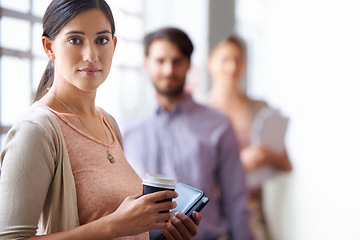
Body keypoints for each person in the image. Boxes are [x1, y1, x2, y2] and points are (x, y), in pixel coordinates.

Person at [0, 1, 201, 239]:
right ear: (49, 47)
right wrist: (115, 225)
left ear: (114, 45)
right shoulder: (36, 130)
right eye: (75, 40)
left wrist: (159, 232)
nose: (91, 55)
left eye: (102, 40)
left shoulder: (108, 123)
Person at [122, 27, 253, 240]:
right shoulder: (124, 129)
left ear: (189, 65)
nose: (168, 70)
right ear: (147, 63)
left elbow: (236, 201)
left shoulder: (219, 125)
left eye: (177, 61)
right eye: (160, 61)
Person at [207, 35, 292, 240]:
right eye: (225, 59)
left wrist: (267, 154)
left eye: (238, 59)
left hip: (253, 211)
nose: (232, 66)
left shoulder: (260, 109)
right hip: (213, 213)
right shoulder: (199, 113)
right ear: (211, 63)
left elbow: (287, 164)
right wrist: (238, 164)